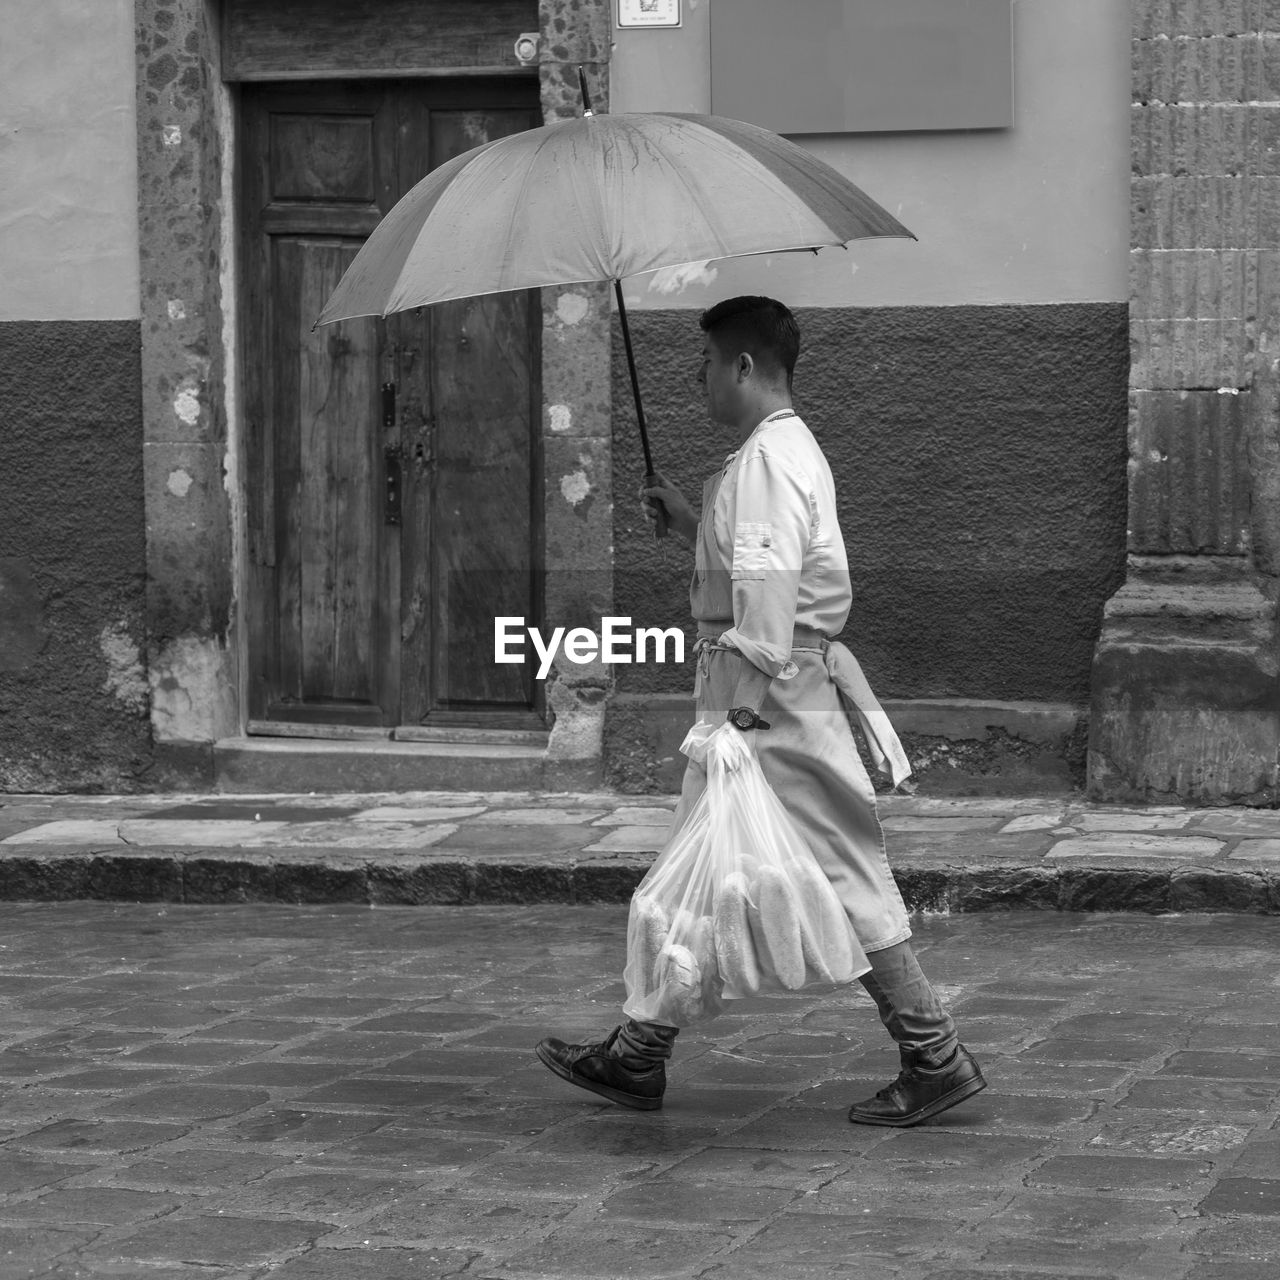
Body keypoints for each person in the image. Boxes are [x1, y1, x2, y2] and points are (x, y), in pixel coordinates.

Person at [535, 296, 985, 1127]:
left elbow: (770, 606)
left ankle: (934, 1052)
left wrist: (735, 722)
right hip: (756, 699)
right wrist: (693, 521)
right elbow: (754, 565)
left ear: (743, 366)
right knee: (701, 870)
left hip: (766, 703)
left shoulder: (771, 462)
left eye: (706, 363)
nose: (699, 379)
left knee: (838, 874)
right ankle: (639, 1055)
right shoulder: (762, 460)